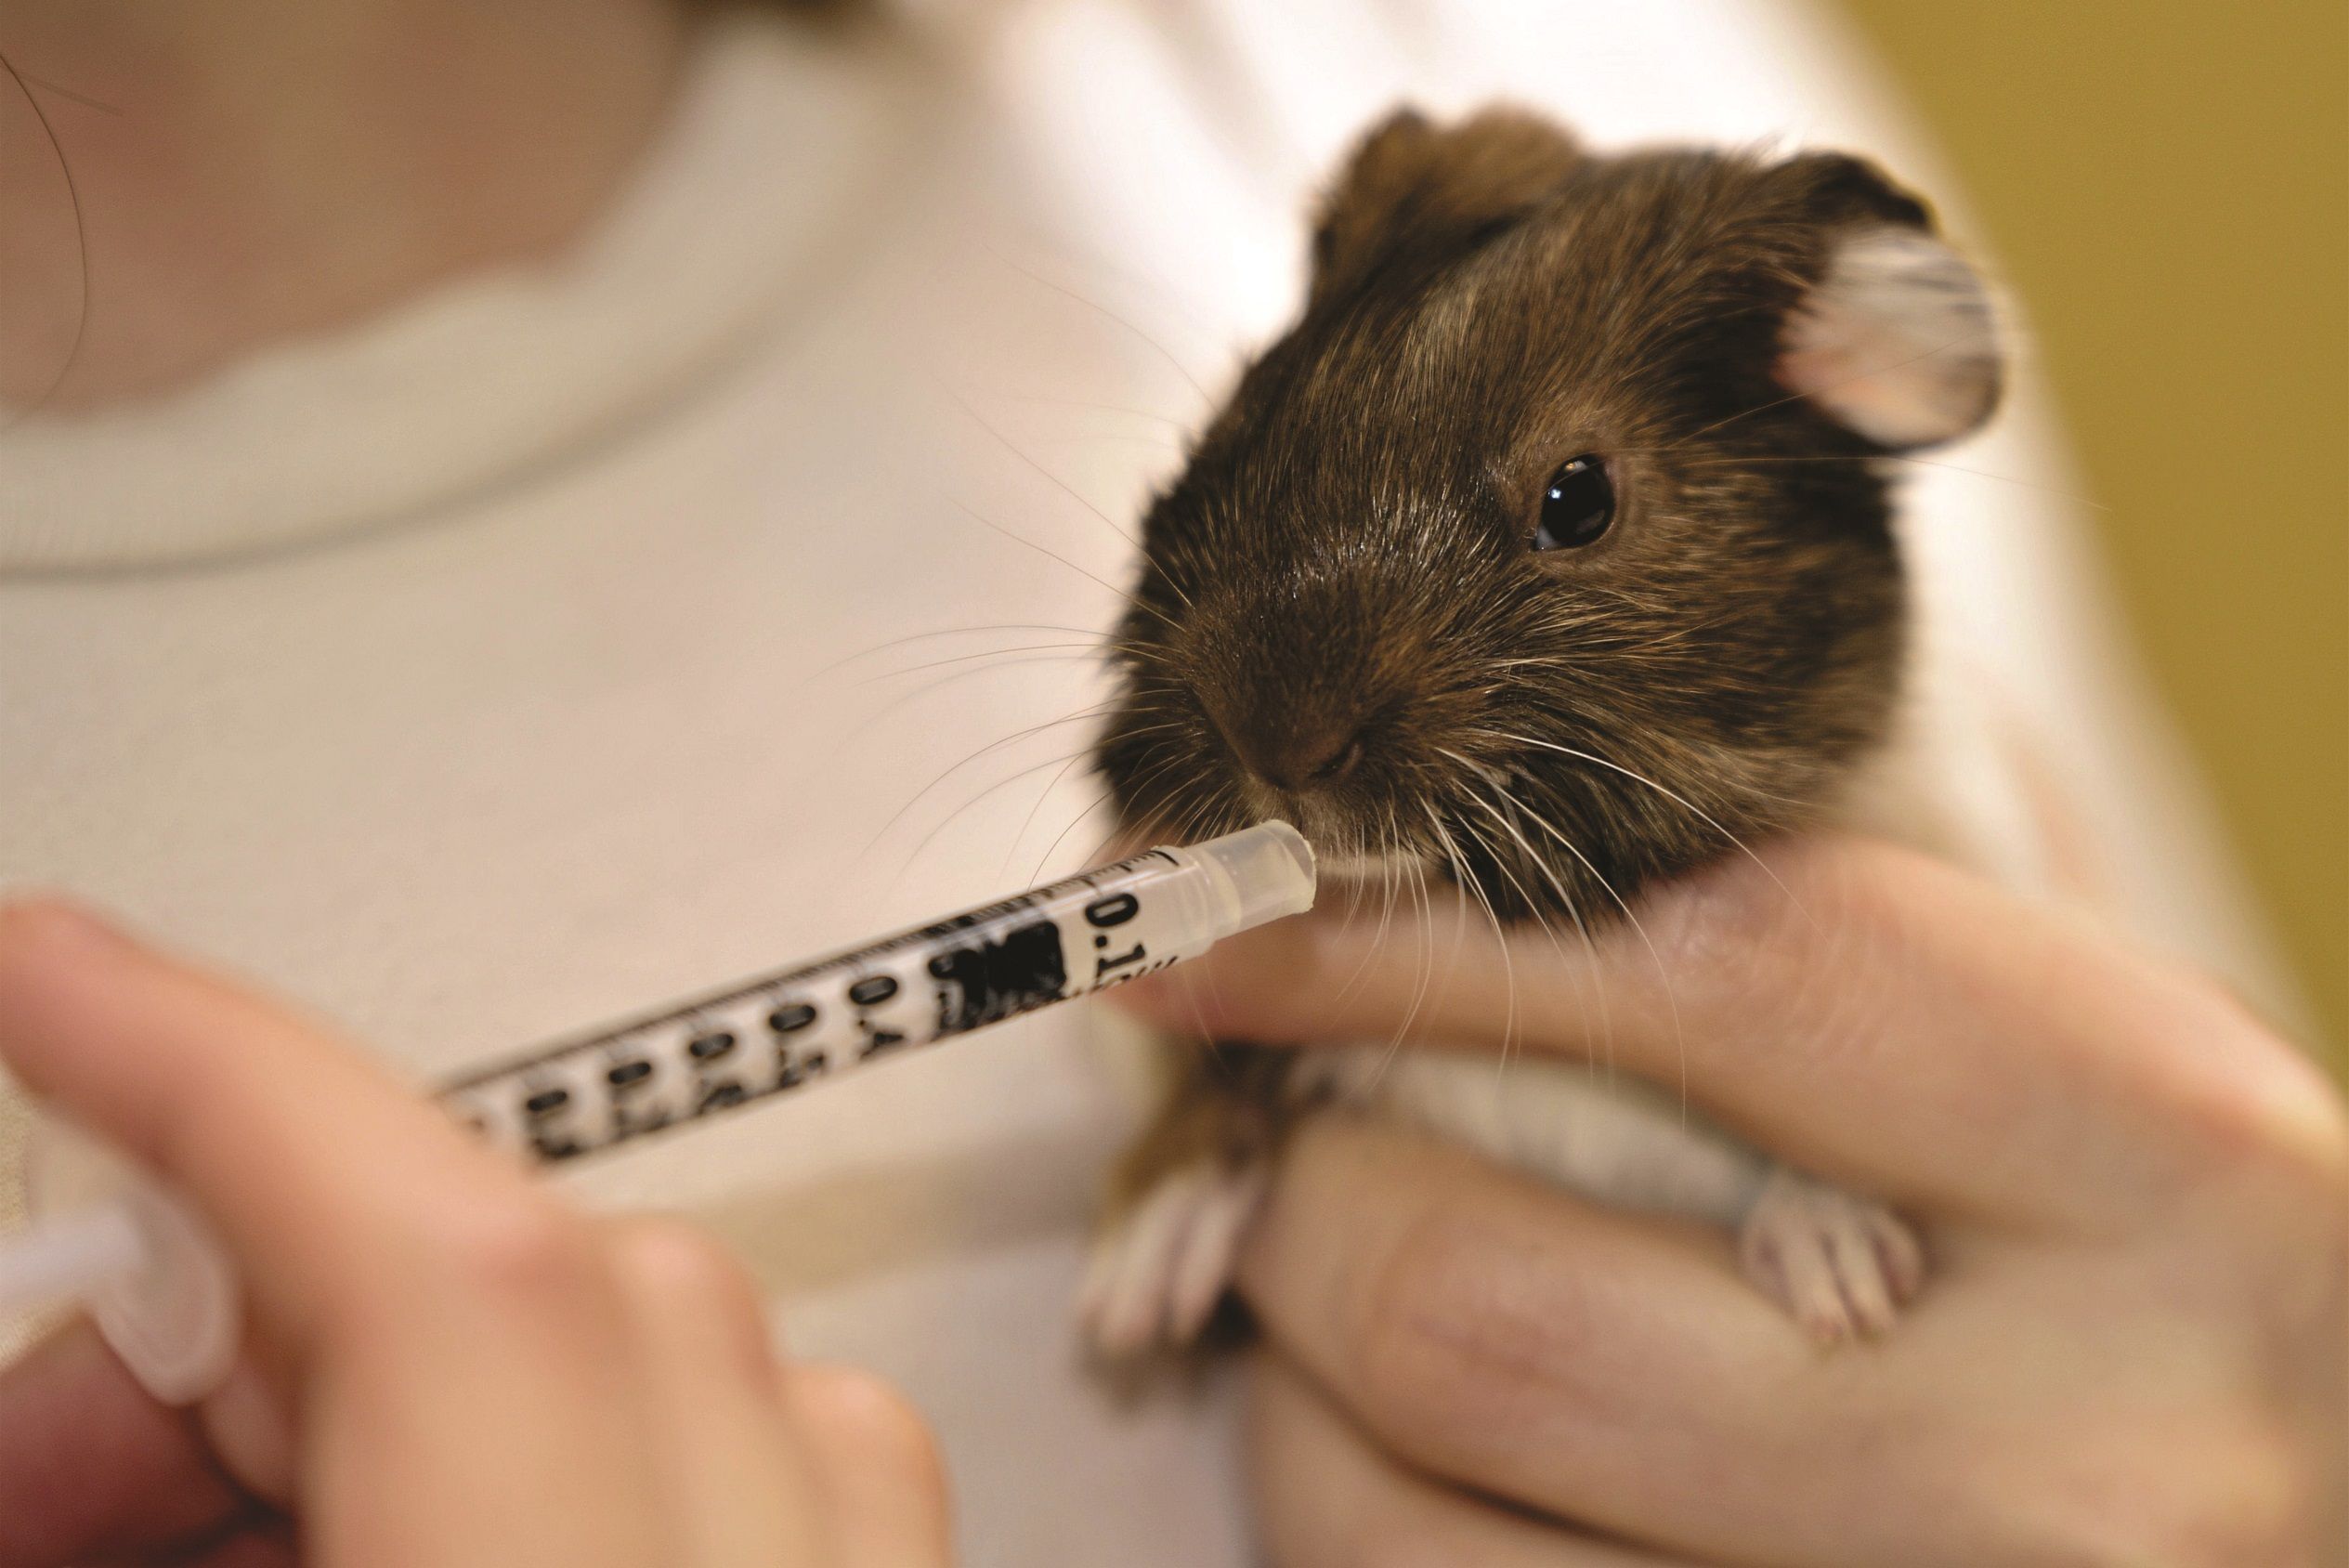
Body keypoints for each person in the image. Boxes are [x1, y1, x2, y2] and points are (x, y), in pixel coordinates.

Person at [2, 1, 2339, 1563]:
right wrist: (1201, 1135)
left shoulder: (1579, 41)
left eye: (1560, 509)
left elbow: (2138, 1159)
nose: (1304, 718)